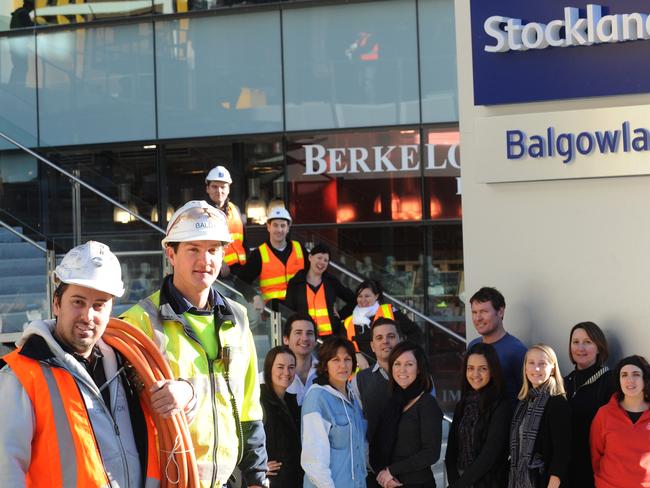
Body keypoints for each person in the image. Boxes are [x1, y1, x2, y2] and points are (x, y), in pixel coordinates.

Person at [120, 200, 268, 488]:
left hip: (226, 481)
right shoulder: (139, 321)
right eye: (193, 250)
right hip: (165, 481)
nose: (205, 260)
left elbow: (249, 405)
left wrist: (257, 478)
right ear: (171, 253)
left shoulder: (237, 318)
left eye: (213, 250)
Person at [0, 241, 159, 487]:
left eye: (99, 305)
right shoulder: (20, 375)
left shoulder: (126, 367)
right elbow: (6, 470)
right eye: (78, 302)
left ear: (110, 309)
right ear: (56, 302)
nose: (88, 316)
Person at [371, 341, 443, 488]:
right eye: (397, 364)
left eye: (409, 364)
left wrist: (391, 471)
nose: (402, 370)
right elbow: (376, 444)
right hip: (387, 483)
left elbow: (431, 453)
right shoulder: (392, 403)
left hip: (418, 484)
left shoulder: (427, 403)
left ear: (418, 369)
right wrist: (383, 475)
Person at [301, 336, 367, 488]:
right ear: (325, 365)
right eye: (335, 360)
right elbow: (314, 460)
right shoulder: (317, 397)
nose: (342, 365)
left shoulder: (351, 396)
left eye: (347, 359)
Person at [446, 342, 511, 488]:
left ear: (492, 371)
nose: (475, 374)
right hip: (460, 479)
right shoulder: (462, 405)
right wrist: (454, 480)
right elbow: (451, 450)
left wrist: (460, 485)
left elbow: (490, 455)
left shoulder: (501, 405)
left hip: (489, 482)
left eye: (482, 369)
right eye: (470, 368)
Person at [508, 344, 571, 488]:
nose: (536, 369)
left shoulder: (558, 404)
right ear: (525, 367)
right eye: (531, 363)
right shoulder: (523, 403)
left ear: (553, 368)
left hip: (544, 482)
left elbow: (562, 453)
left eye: (542, 364)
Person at [563, 322, 614, 488]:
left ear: (599, 347)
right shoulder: (564, 382)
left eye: (587, 342)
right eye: (575, 342)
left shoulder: (610, 382)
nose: (580, 348)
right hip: (566, 468)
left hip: (594, 470)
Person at [590, 355, 650, 488]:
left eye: (636, 374)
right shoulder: (604, 414)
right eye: (624, 375)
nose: (630, 380)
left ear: (645, 379)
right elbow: (595, 455)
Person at [237, 206, 308, 312]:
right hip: (273, 312)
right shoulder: (259, 254)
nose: (279, 230)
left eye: (283, 226)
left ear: (288, 228)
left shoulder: (300, 249)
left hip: (301, 307)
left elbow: (315, 276)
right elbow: (240, 282)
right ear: (268, 227)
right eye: (275, 225)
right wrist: (254, 297)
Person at [343, 279, 423, 369]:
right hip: (363, 376)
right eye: (360, 296)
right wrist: (355, 355)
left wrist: (404, 352)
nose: (363, 300)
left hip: (393, 369)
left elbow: (415, 332)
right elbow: (342, 346)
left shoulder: (390, 312)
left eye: (367, 296)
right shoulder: (349, 321)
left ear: (376, 296)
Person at [469, 286, 527, 404]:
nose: (478, 318)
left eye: (484, 311)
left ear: (500, 312)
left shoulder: (516, 350)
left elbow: (526, 396)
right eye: (474, 312)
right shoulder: (473, 346)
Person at [285, 243, 355, 338]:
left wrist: (339, 316)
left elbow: (354, 300)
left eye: (326, 260)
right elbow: (289, 311)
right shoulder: (296, 283)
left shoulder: (331, 282)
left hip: (330, 339)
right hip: (305, 338)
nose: (322, 262)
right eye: (319, 258)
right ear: (310, 257)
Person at [260, 346, 303, 488]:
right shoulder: (258, 400)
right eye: (280, 367)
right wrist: (257, 466)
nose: (286, 372)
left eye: (291, 367)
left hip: (292, 481)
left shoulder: (292, 403)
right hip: (268, 483)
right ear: (269, 368)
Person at [205, 165, 247, 276]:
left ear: (228, 189)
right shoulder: (202, 212)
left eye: (223, 187)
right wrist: (219, 262)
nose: (219, 191)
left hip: (239, 270)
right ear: (207, 188)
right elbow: (202, 245)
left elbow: (244, 242)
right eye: (214, 186)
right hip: (216, 272)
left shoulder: (235, 210)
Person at [282, 312, 318, 406]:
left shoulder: (327, 373)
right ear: (286, 339)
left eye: (309, 333)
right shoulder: (270, 376)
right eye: (298, 333)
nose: (305, 338)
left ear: (315, 341)